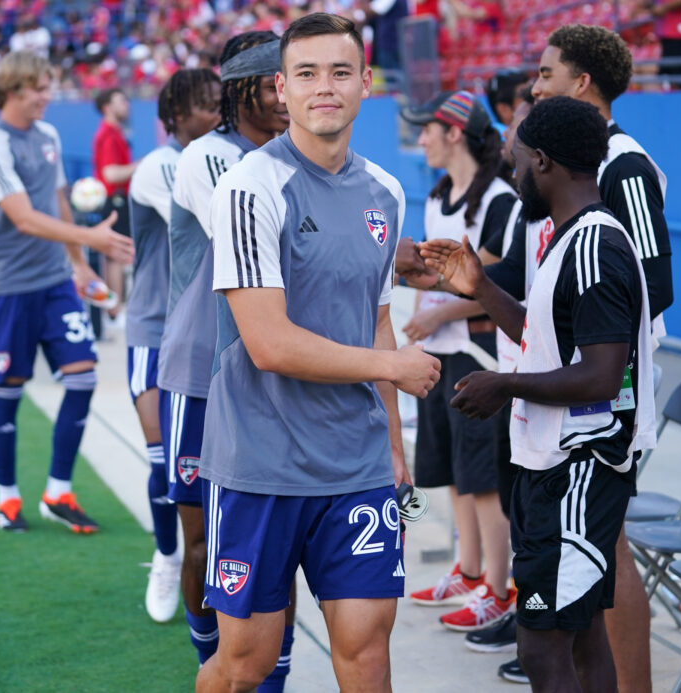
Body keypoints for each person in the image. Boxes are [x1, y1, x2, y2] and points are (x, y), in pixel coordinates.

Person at [195, 13, 441, 693]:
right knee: (246, 662)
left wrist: (393, 443)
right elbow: (268, 342)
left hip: (356, 466)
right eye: (306, 73)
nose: (323, 87)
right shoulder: (249, 187)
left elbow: (379, 322)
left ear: (367, 81)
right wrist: (388, 368)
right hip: (260, 463)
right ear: (281, 87)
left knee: (366, 651)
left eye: (340, 72)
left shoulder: (386, 193)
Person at [421, 95, 657, 693]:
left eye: (517, 157)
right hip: (552, 465)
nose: (512, 168)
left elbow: (604, 374)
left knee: (543, 645)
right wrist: (480, 286)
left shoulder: (597, 248)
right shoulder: (569, 238)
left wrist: (505, 384)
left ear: (544, 163)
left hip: (580, 470)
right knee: (579, 638)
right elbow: (546, 336)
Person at [522, 25, 672, 692]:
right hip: (578, 389)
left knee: (608, 547)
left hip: (610, 393)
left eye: (548, 72)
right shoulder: (581, 161)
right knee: (592, 551)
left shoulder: (624, 165)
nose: (536, 83)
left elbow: (649, 281)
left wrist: (596, 345)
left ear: (582, 83)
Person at [155, 31, 296, 686]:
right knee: (204, 544)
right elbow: (257, 244)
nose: (289, 94)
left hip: (270, 376)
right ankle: (208, 662)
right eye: (278, 80)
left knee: (272, 546)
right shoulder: (207, 157)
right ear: (245, 89)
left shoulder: (302, 158)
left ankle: (271, 676)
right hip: (200, 371)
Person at [0, 50, 134, 533]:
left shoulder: (49, 136)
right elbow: (22, 216)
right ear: (13, 90)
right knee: (9, 392)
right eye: (41, 88)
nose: (48, 96)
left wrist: (80, 266)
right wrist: (92, 239)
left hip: (55, 283)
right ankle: (8, 499)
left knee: (82, 378)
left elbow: (58, 200)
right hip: (8, 289)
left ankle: (57, 491)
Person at [399, 90, 518, 632]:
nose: (419, 138)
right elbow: (434, 278)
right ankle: (468, 571)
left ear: (453, 132)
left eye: (427, 128)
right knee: (452, 473)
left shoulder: (500, 198)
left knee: (485, 480)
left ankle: (500, 587)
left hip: (480, 354)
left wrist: (440, 314)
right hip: (441, 356)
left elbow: (500, 287)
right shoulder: (437, 194)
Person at [125, 68, 222, 623]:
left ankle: (197, 561)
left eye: (219, 102)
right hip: (154, 329)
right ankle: (168, 556)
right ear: (174, 116)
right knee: (165, 457)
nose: (215, 113)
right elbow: (216, 224)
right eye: (204, 105)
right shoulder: (165, 165)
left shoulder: (218, 156)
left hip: (198, 332)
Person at [93, 88, 137, 323]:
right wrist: (142, 165)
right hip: (114, 201)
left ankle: (114, 310)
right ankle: (115, 311)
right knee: (116, 257)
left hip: (116, 200)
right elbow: (110, 174)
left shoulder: (114, 132)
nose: (126, 104)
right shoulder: (108, 134)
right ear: (107, 107)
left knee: (115, 258)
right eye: (121, 100)